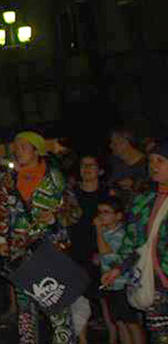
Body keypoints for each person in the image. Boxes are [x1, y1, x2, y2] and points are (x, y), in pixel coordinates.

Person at [0, 131, 81, 344]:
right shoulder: (9, 179)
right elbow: (1, 211)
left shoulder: (54, 178)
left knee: (56, 305)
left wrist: (55, 217)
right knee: (25, 309)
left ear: (37, 150)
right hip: (20, 252)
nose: (17, 151)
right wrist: (1, 240)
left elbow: (74, 211)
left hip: (50, 250)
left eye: (23, 146)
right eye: (16, 146)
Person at [104, 140, 168, 342]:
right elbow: (132, 243)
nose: (154, 166)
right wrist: (117, 269)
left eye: (161, 160)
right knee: (159, 336)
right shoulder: (143, 201)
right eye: (151, 161)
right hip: (154, 284)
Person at [70, 154, 116, 344]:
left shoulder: (108, 194)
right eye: (83, 165)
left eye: (92, 165)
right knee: (77, 299)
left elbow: (115, 225)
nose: (87, 169)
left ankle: (114, 339)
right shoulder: (71, 194)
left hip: (101, 252)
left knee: (106, 300)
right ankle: (82, 340)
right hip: (75, 251)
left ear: (100, 170)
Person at [95, 195, 145, 344]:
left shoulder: (122, 233)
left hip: (123, 284)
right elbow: (104, 256)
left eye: (106, 212)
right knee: (119, 322)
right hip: (110, 285)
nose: (101, 216)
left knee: (132, 323)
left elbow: (106, 252)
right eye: (99, 212)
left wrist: (98, 230)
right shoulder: (106, 232)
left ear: (118, 216)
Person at [109, 128, 149, 196]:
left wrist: (134, 185)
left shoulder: (150, 164)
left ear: (125, 142)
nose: (111, 146)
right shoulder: (117, 167)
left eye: (114, 143)